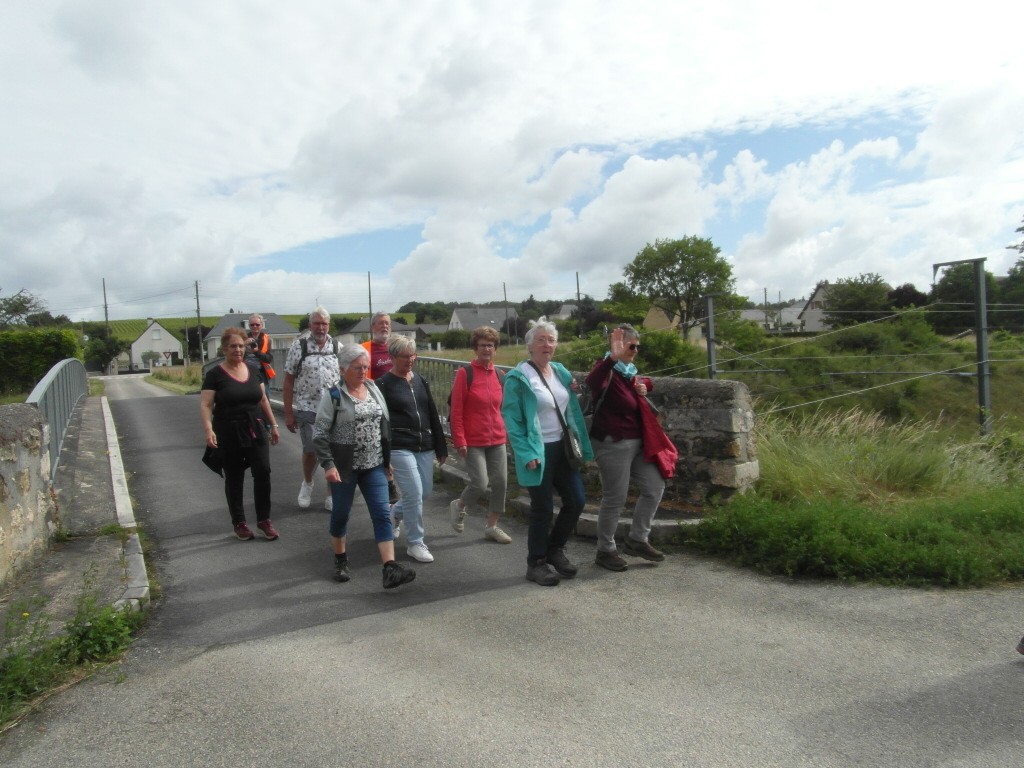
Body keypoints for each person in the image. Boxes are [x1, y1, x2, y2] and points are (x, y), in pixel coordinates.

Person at [312, 345, 415, 589]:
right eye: (358, 368)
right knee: (341, 515)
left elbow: (384, 426)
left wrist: (386, 461)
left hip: (374, 465)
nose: (363, 372)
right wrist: (328, 464)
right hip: (345, 468)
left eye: (366, 367)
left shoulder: (373, 389)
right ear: (343, 369)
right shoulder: (334, 396)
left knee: (381, 514)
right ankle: (340, 560)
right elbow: (319, 434)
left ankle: (389, 568)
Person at [501, 320, 593, 586]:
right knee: (542, 508)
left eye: (551, 340)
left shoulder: (561, 372)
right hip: (537, 450)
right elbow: (512, 419)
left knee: (576, 501)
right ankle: (536, 563)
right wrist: (526, 452)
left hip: (563, 447)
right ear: (530, 345)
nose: (547, 344)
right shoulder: (518, 378)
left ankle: (555, 549)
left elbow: (570, 405)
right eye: (541, 339)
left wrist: (575, 390)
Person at [586, 324, 667, 571]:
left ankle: (637, 538)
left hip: (638, 442)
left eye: (637, 347)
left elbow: (640, 383)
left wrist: (645, 385)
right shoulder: (608, 370)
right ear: (618, 346)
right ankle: (605, 550)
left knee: (655, 487)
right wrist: (612, 356)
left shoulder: (629, 373)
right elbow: (592, 381)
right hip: (612, 443)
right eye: (630, 346)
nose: (635, 350)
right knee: (615, 497)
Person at [200, 326, 281, 540]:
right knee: (235, 477)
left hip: (256, 428)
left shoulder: (253, 371)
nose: (238, 350)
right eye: (233, 346)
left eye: (241, 346)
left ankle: (264, 520)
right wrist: (209, 430)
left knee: (263, 472)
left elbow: (263, 399)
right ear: (224, 349)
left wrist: (273, 425)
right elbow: (206, 404)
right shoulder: (214, 375)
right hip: (228, 431)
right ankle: (240, 522)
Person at [377, 335, 447, 563]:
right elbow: (380, 421)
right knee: (414, 493)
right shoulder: (383, 384)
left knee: (424, 492)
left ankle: (394, 513)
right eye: (404, 356)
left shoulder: (420, 380)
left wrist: (440, 445)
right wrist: (383, 456)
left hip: (424, 444)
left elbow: (432, 413)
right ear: (393, 357)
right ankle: (415, 542)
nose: (410, 360)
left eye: (412, 355)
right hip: (399, 445)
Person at [449, 325, 511, 543]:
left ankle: (492, 526)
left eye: (491, 345)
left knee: (501, 482)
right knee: (480, 483)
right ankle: (459, 505)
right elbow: (456, 410)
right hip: (473, 440)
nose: (487, 349)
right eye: (483, 345)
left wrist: (507, 434)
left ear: (496, 349)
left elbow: (503, 409)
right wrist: (459, 439)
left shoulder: (500, 376)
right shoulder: (465, 374)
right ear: (475, 348)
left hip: (497, 438)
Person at [283, 307, 340, 511]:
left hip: (334, 408)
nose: (320, 327)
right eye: (317, 323)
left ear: (329, 325)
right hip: (308, 406)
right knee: (310, 451)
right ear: (310, 325)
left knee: (334, 451)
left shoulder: (336, 346)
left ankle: (331, 492)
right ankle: (307, 482)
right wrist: (289, 413)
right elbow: (289, 380)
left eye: (324, 323)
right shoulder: (298, 347)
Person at [243, 313, 275, 387]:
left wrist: (257, 352)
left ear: (261, 325)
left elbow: (269, 359)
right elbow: (236, 355)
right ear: (249, 326)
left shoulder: (267, 339)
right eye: (252, 325)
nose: (255, 326)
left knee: (265, 396)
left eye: (257, 324)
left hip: (261, 372)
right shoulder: (243, 338)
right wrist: (244, 345)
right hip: (245, 372)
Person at [360, 311, 394, 379]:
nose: (384, 326)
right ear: (372, 327)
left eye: (387, 323)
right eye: (381, 323)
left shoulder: (395, 346)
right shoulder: (362, 349)